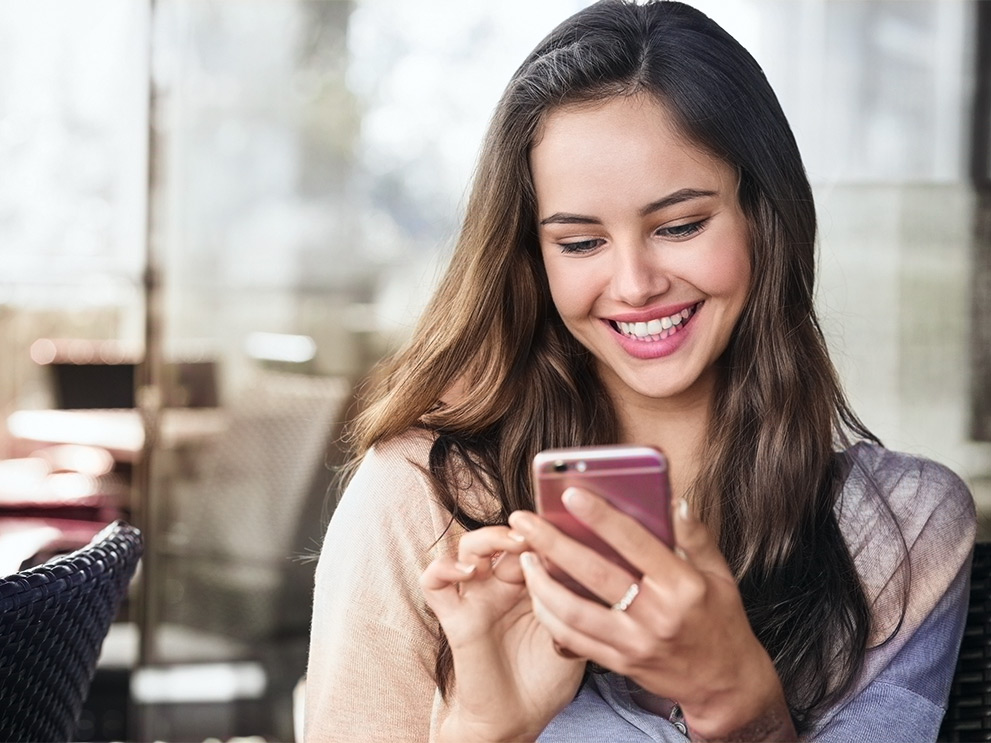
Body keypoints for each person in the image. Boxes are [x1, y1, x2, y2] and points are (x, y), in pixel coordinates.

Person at [304, 1, 976, 741]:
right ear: (533, 259)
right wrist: (482, 727)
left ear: (766, 216)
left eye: (679, 226)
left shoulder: (899, 534)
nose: (632, 284)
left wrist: (738, 703)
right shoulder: (418, 498)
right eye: (580, 242)